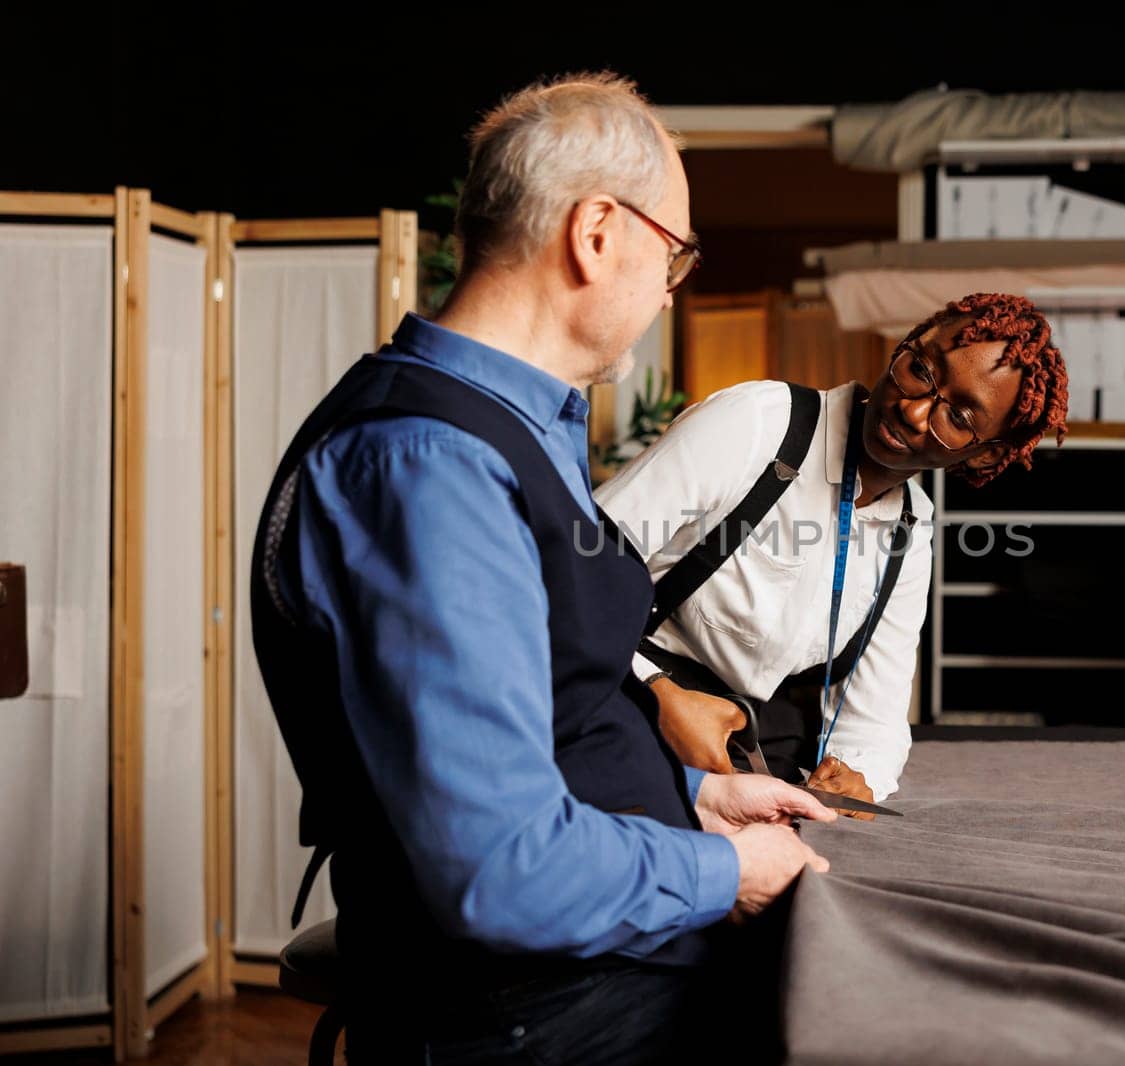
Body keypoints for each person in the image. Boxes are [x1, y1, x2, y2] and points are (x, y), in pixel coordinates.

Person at [249, 72, 834, 1064]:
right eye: (674, 254)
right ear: (597, 232)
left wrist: (689, 796)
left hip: (589, 971)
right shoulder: (433, 465)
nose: (666, 288)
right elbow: (500, 869)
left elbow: (552, 714)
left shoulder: (514, 431)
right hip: (532, 1012)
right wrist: (721, 868)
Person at [597, 292, 1069, 807]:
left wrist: (855, 774)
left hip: (746, 748)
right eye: (920, 369)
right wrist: (656, 694)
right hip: (614, 693)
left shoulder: (910, 532)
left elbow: (873, 719)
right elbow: (569, 571)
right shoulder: (760, 424)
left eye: (957, 417)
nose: (912, 410)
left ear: (984, 455)